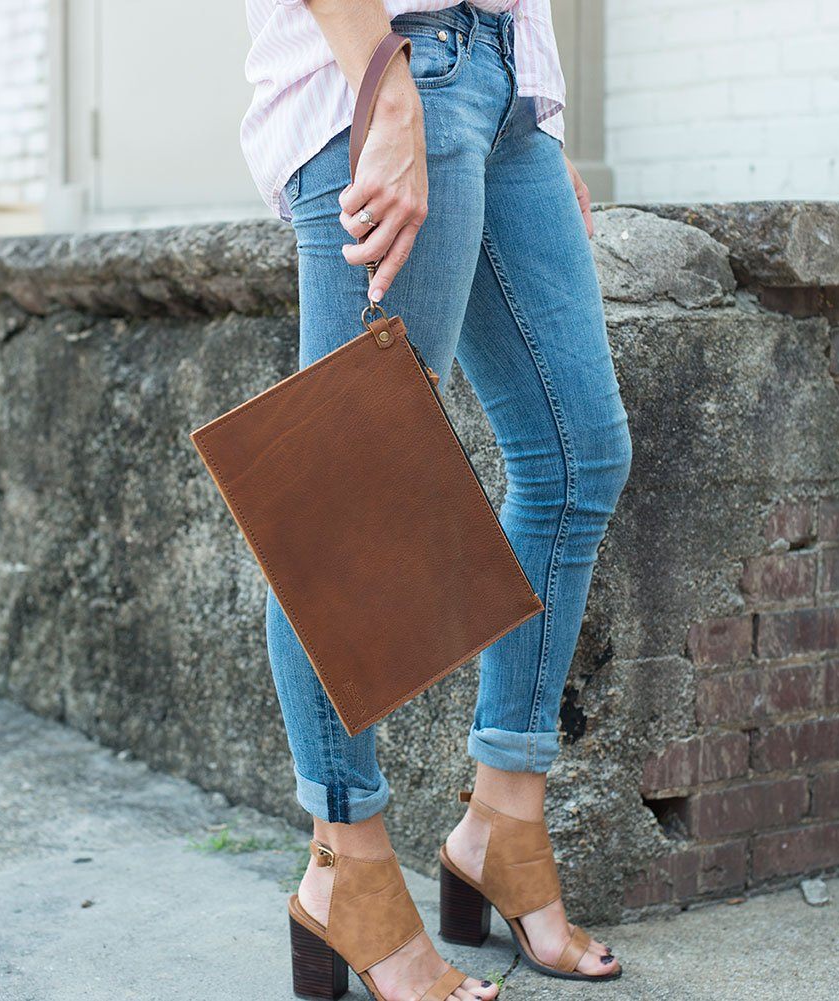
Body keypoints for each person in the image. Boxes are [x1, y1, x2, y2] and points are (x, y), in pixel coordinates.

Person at [240, 2, 633, 997]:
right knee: (348, 496)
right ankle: (349, 870)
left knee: (577, 452)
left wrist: (528, 100)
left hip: (501, 89)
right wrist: (381, 80)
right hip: (384, 61)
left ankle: (503, 815)